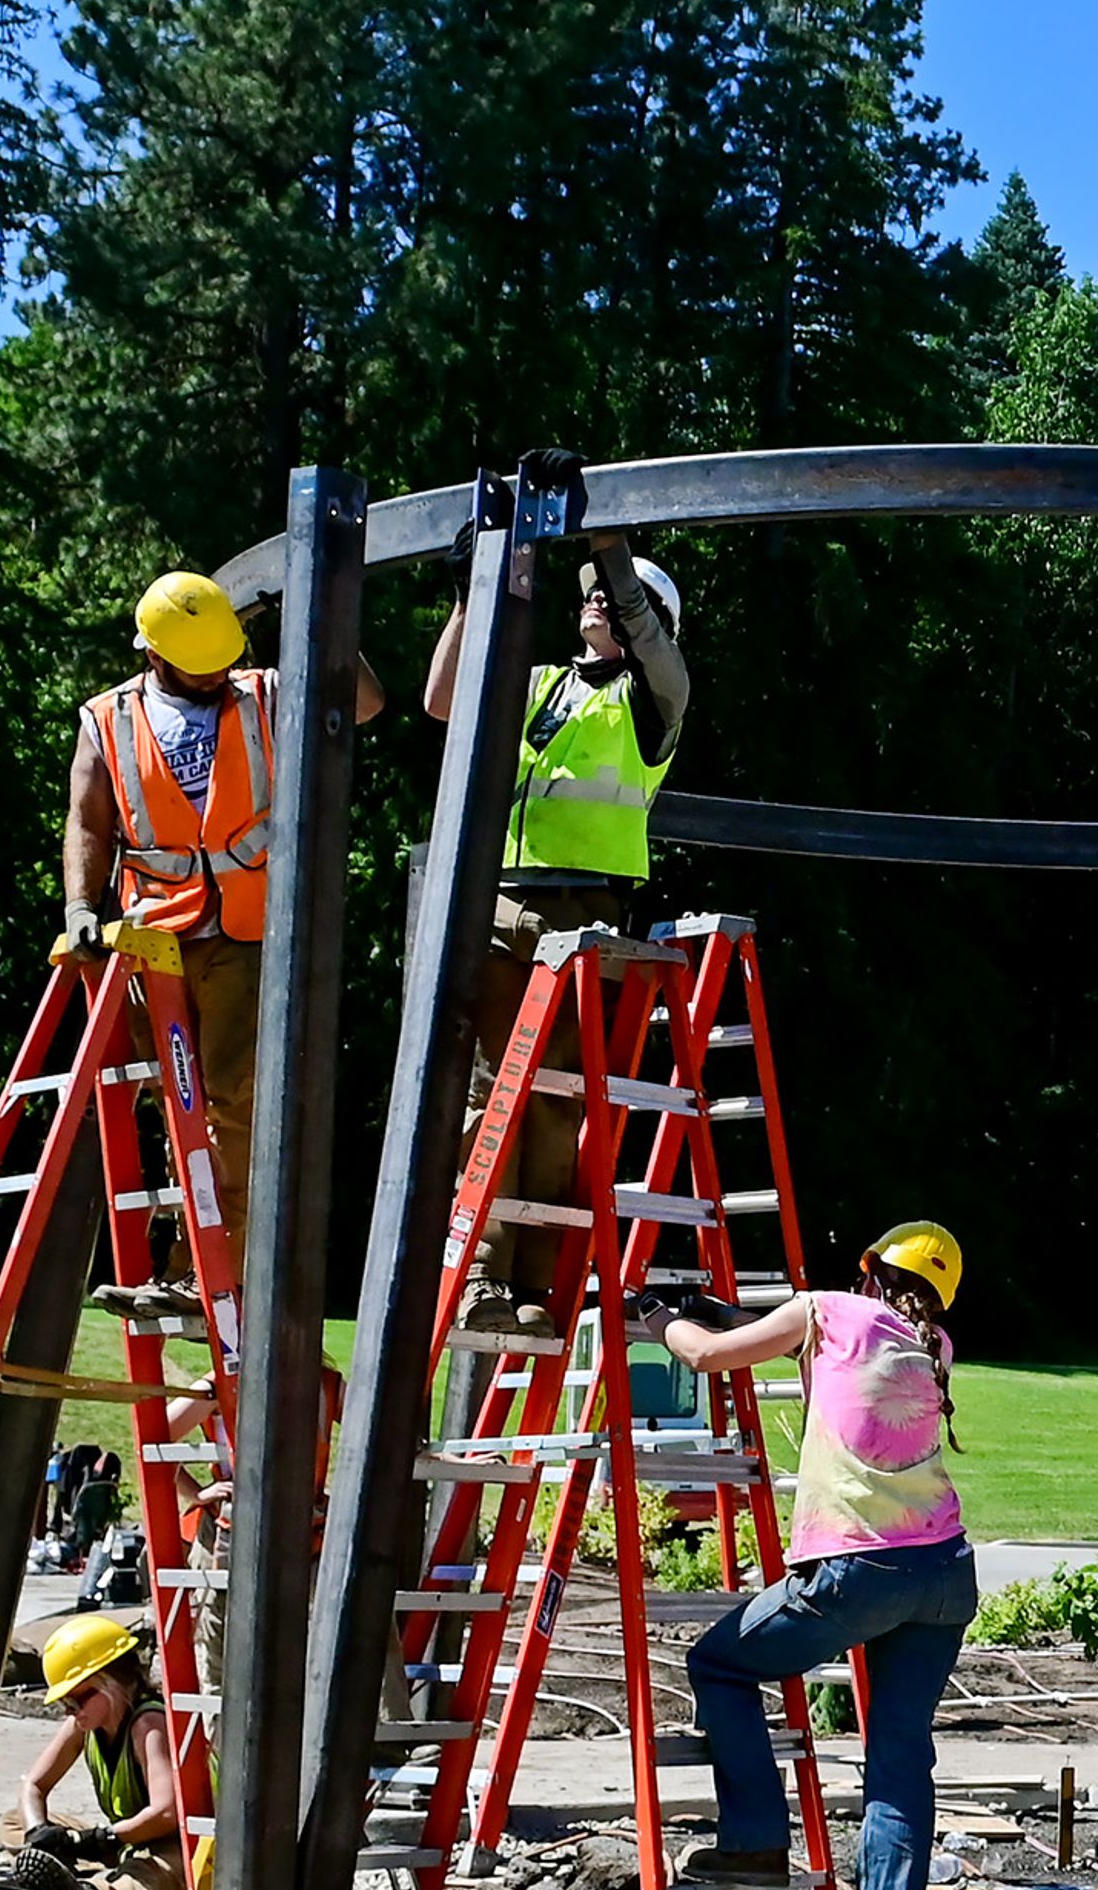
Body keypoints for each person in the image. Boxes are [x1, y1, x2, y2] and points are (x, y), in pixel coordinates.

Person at [644, 1221, 978, 1890]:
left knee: (721, 1665)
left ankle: (756, 1836)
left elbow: (706, 1355)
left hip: (856, 1570)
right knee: (898, 1760)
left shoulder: (828, 1308)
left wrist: (660, 1318)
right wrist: (721, 1308)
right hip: (944, 1573)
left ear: (870, 1272)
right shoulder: (934, 1348)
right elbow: (792, 1334)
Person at [67, 570, 385, 1298]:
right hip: (155, 939)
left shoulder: (266, 692)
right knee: (172, 1106)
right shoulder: (109, 718)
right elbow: (89, 819)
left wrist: (318, 618)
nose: (215, 674)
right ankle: (184, 1259)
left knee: (234, 1105)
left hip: (246, 932)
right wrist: (81, 906)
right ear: (154, 655)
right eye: (198, 664)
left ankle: (206, 1270)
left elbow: (365, 702)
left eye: (222, 659)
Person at [429, 486, 690, 1338]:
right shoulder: (539, 684)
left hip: (586, 918)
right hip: (506, 902)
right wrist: (477, 585)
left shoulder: (655, 699)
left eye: (612, 597)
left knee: (551, 1106)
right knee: (488, 1098)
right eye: (590, 591)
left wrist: (611, 545)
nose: (595, 601)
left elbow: (650, 643)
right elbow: (443, 699)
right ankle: (483, 1274)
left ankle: (536, 1282)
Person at [2, 1615, 185, 1890]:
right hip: (125, 1841)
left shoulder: (149, 1724)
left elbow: (166, 1813)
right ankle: (61, 1871)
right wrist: (39, 1833)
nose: (69, 1711)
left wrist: (101, 1838)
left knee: (147, 1875)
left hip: (181, 1846)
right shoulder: (84, 1725)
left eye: (75, 1701)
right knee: (14, 1822)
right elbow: (33, 1785)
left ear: (108, 1683)